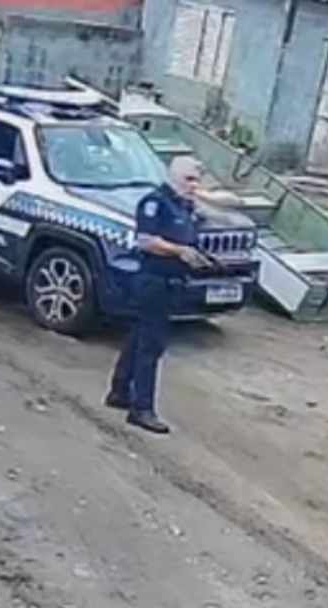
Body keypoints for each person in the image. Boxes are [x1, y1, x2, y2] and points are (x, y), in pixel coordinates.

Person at [107, 155, 217, 436]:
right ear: (173, 177)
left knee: (139, 337)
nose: (194, 185)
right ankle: (141, 408)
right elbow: (146, 240)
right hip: (153, 280)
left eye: (196, 180)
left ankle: (119, 391)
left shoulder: (183, 206)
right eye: (189, 179)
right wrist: (179, 251)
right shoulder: (155, 203)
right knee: (151, 346)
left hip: (171, 281)